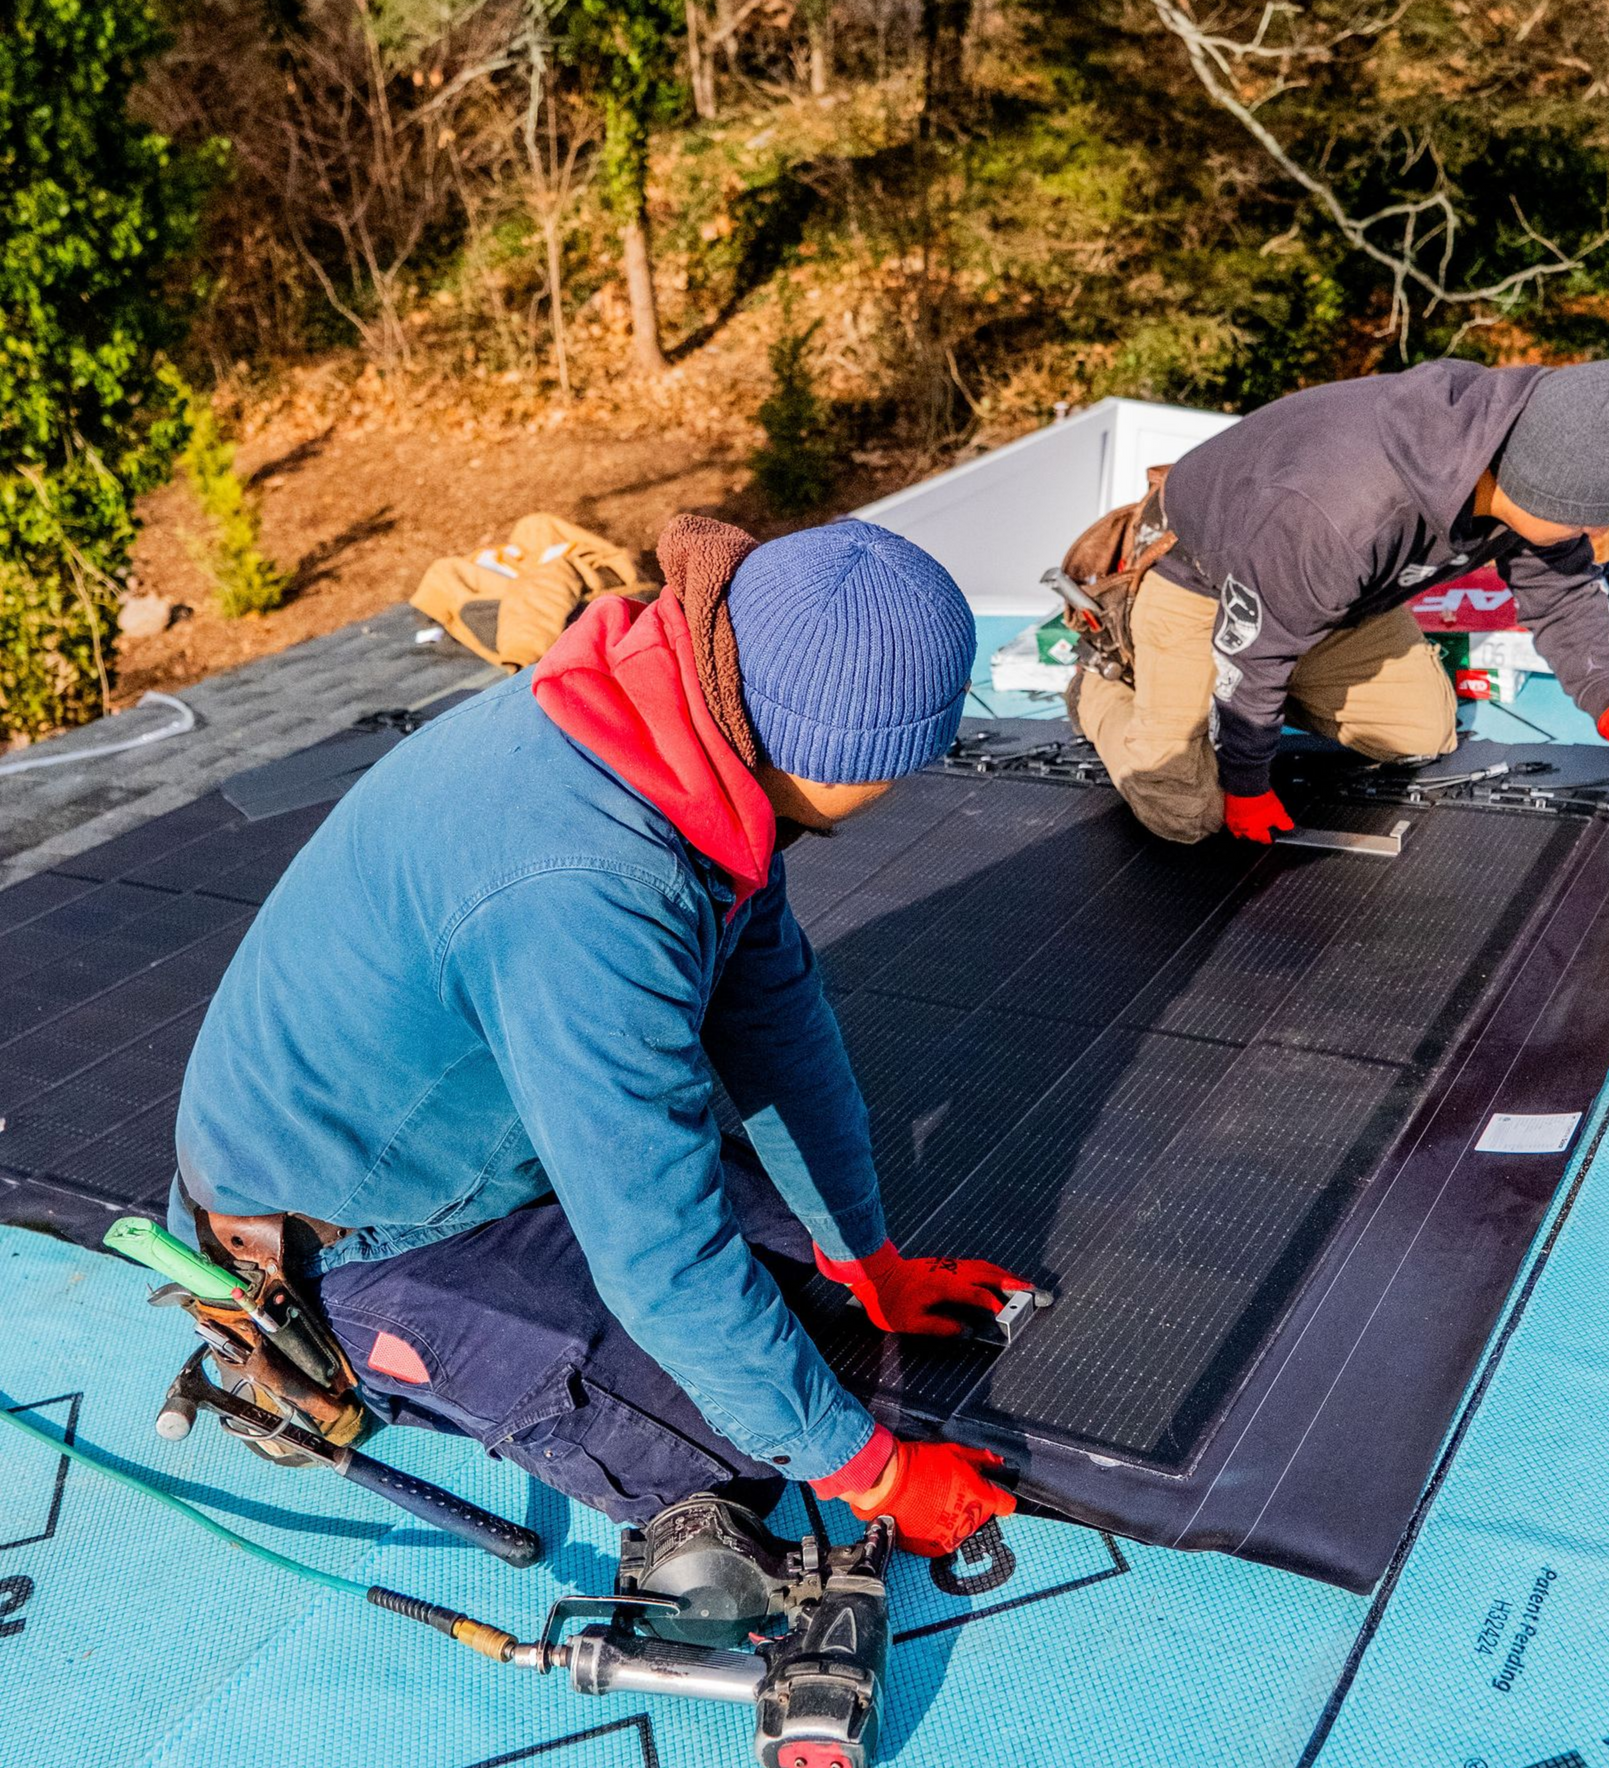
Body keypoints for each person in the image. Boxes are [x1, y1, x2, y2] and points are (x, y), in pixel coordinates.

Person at [172, 514, 1028, 1561]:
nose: (904, 790)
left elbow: (775, 1022)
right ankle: (359, 1361)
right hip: (342, 1240)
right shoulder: (595, 889)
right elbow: (659, 1248)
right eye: (901, 765)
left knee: (797, 1290)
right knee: (729, 1445)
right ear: (832, 748)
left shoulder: (689, 731)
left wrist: (865, 1255)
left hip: (479, 1148)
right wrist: (875, 1473)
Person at [1071, 359, 1609, 844]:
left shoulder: (1525, 453)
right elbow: (1256, 656)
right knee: (1185, 811)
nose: (1598, 537)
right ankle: (1099, 686)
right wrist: (1246, 782)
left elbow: (1560, 593)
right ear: (1532, 489)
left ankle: (1254, 695)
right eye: (1589, 523)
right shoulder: (1340, 514)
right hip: (1202, 580)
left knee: (1422, 731)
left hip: (1330, 598)